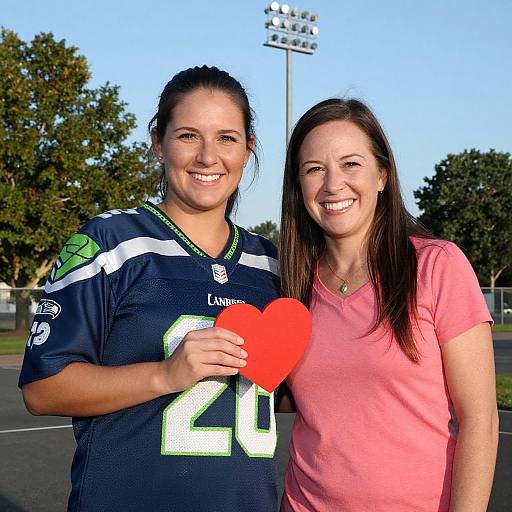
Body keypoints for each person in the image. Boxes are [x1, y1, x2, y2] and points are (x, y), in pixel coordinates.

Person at [19, 65, 281, 512]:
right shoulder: (109, 242)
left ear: (248, 148)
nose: (207, 156)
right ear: (158, 143)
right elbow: (43, 389)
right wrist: (164, 375)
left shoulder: (271, 263)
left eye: (226, 138)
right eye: (188, 136)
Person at [278, 98, 498, 511]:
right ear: (298, 186)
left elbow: (480, 421)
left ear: (382, 174)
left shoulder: (437, 266)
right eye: (314, 169)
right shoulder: (290, 286)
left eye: (350, 164)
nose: (332, 184)